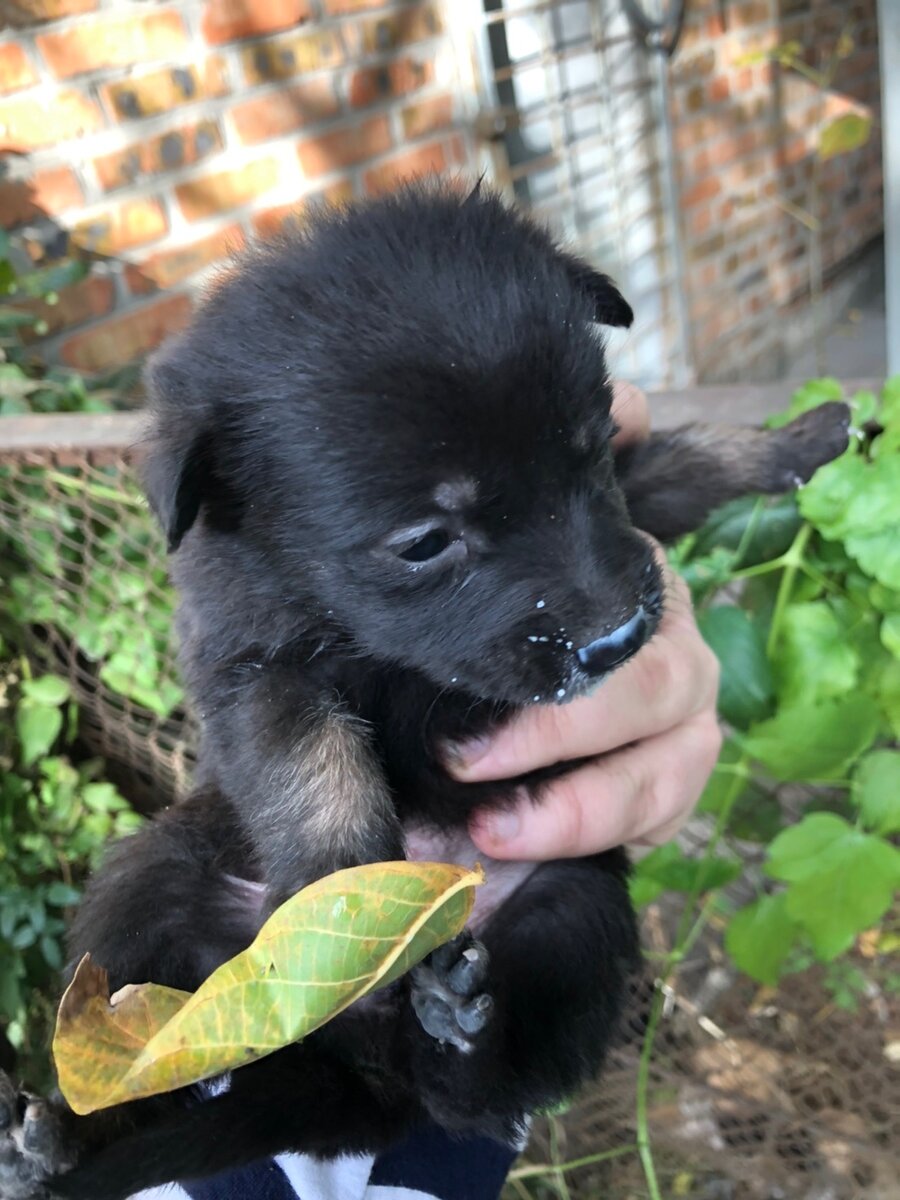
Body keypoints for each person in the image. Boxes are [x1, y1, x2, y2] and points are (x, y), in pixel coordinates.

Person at [134, 382, 722, 1200]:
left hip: (455, 927)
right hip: (303, 1025)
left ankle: (467, 1059)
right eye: (420, 542)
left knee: (563, 924)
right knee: (155, 886)